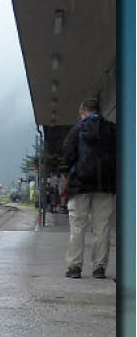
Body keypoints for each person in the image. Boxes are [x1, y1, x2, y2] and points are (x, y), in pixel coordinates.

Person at [62, 99, 116, 279]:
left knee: (78, 227)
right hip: (106, 185)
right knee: (102, 228)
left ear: (82, 112)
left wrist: (68, 173)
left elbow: (68, 154)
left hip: (80, 185)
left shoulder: (78, 129)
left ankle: (74, 267)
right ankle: (99, 268)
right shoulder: (112, 129)